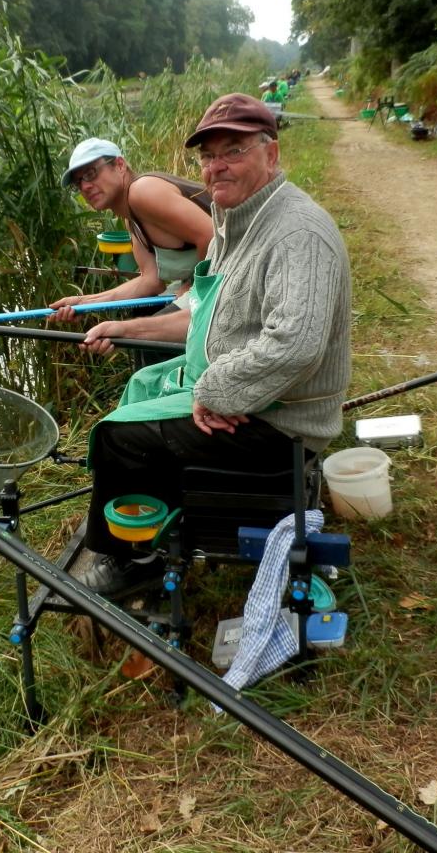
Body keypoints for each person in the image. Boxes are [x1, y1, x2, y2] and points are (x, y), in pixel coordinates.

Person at [74, 93, 352, 593]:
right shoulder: (234, 221)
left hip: (277, 419)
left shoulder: (297, 233)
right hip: (243, 394)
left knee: (118, 436)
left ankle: (133, 563)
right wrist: (125, 328)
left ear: (271, 155)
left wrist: (214, 392)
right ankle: (153, 514)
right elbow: (203, 316)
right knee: (141, 382)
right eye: (207, 156)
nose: (216, 167)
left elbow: (296, 344)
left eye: (233, 151)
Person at [50, 138, 213, 324]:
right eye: (78, 183)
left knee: (151, 338)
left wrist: (194, 285)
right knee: (140, 313)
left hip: (242, 262)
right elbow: (150, 281)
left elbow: (211, 235)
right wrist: (83, 303)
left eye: (91, 174)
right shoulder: (132, 220)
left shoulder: (143, 191)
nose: (85, 187)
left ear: (120, 165)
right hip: (219, 272)